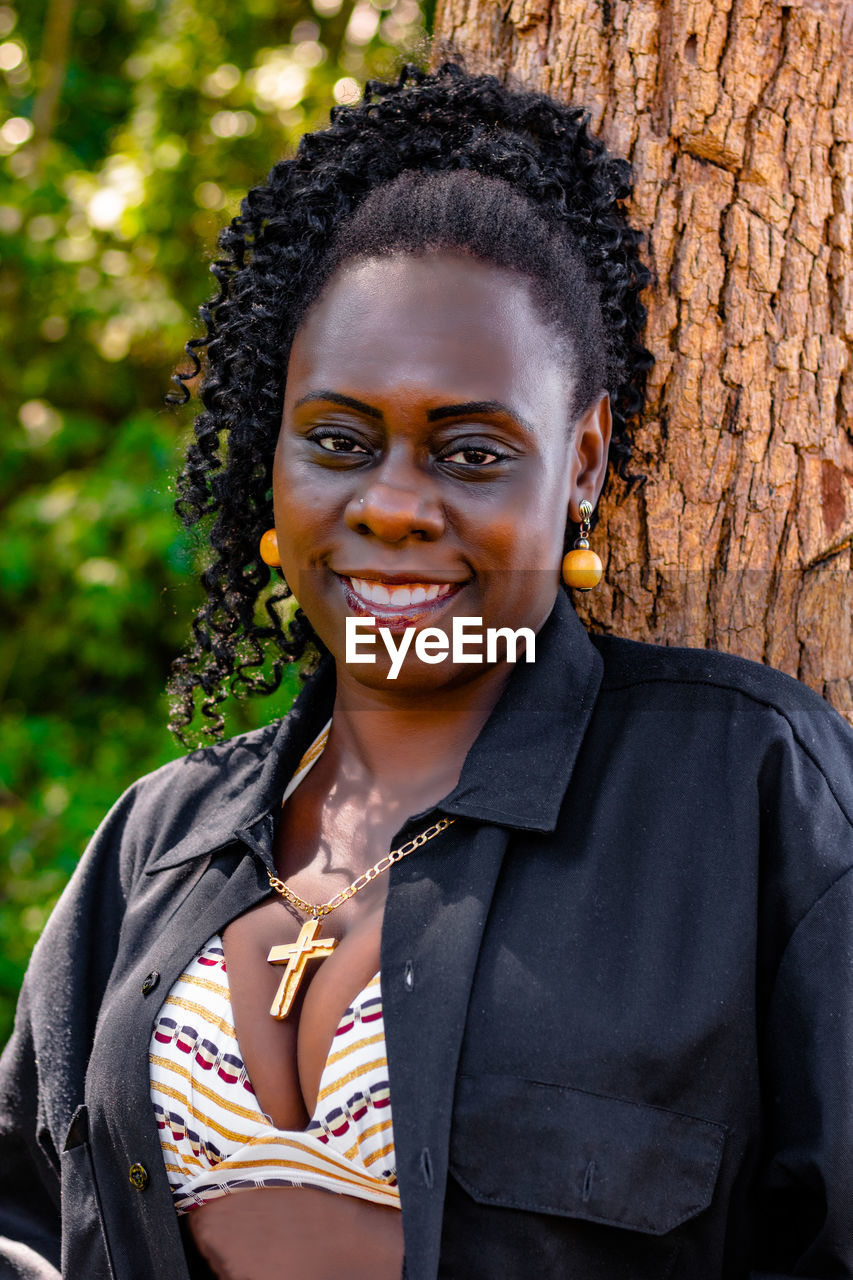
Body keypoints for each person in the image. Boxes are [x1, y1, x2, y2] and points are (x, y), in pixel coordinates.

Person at [1, 59, 852, 1280]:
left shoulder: (745, 790)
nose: (393, 506)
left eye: (469, 449)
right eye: (339, 440)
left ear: (584, 463)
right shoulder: (156, 845)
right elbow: (26, 1212)